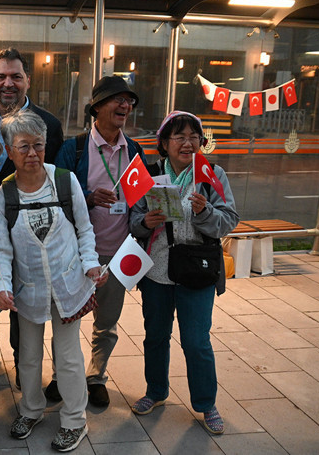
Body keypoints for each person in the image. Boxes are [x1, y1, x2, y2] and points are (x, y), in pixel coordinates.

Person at [0, 110, 107, 452]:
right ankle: (31, 409)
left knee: (68, 355)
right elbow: (3, 250)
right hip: (28, 291)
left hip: (69, 286)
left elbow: (85, 230)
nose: (32, 153)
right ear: (9, 150)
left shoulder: (65, 181)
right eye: (23, 146)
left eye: (38, 145)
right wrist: (3, 285)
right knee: (27, 355)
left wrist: (90, 264)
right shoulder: (3, 196)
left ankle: (75, 420)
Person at [129, 111, 239, 435]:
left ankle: (206, 403)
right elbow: (133, 219)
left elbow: (230, 219)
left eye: (194, 137)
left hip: (197, 270)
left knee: (196, 341)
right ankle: (156, 392)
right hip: (157, 272)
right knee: (156, 337)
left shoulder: (211, 174)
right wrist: (145, 222)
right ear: (164, 142)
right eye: (179, 136)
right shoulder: (149, 175)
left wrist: (205, 212)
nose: (187, 143)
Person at [0, 48, 64, 387]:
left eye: (15, 77)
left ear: (27, 81)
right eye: (1, 77)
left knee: (23, 290)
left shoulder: (48, 123)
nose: (8, 84)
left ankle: (25, 362)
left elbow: (53, 177)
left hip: (26, 223)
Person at [53, 76, 146, 407]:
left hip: (119, 253)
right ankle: (61, 375)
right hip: (77, 255)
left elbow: (142, 199)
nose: (124, 106)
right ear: (96, 108)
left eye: (128, 101)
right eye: (117, 100)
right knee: (68, 319)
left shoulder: (134, 150)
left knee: (106, 322)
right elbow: (57, 197)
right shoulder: (74, 148)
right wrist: (89, 199)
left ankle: (95, 376)